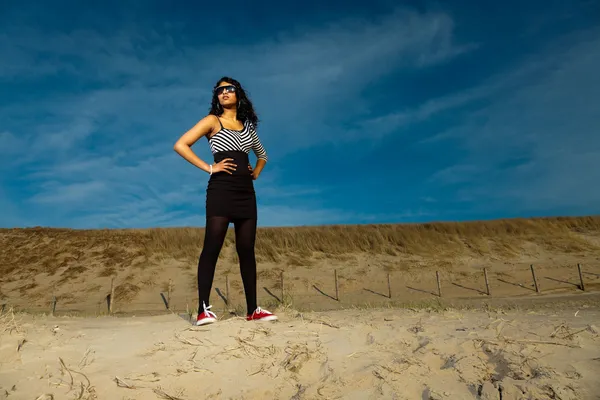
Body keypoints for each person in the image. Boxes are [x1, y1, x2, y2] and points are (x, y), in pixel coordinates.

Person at [173, 77, 277, 326]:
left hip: (246, 194)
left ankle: (253, 309)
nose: (224, 93)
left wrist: (255, 172)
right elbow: (181, 145)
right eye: (219, 90)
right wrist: (210, 167)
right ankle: (203, 309)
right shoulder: (212, 121)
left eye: (229, 89)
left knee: (246, 251)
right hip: (221, 190)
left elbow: (262, 156)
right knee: (212, 248)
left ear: (238, 94)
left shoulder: (248, 128)